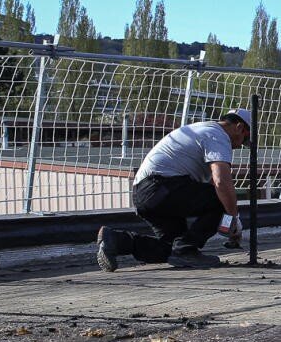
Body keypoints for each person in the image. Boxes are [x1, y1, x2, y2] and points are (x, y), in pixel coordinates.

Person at [96, 108, 251, 271]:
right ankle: (186, 250)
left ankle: (115, 240)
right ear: (239, 127)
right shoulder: (218, 136)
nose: (240, 146)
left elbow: (214, 183)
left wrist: (229, 217)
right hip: (160, 186)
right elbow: (222, 183)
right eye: (244, 140)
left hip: (145, 193)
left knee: (169, 250)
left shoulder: (203, 129)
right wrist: (233, 216)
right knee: (221, 199)